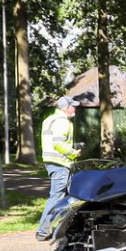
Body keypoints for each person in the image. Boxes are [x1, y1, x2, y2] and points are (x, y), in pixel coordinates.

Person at [36, 96, 82, 240]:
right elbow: (58, 143)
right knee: (56, 197)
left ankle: (64, 227)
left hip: (53, 162)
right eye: (72, 106)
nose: (75, 108)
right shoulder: (62, 121)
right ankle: (43, 230)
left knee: (67, 196)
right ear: (66, 108)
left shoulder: (50, 119)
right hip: (60, 163)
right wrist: (74, 153)